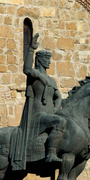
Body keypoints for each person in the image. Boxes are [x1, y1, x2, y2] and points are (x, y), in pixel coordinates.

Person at [10, 33, 67, 171]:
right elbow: (27, 69)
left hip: (48, 114)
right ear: (40, 60)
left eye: (49, 59)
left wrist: (55, 109)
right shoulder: (35, 74)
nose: (49, 62)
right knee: (60, 122)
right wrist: (31, 49)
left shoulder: (51, 80)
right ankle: (51, 154)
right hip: (36, 116)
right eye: (46, 59)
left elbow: (58, 97)